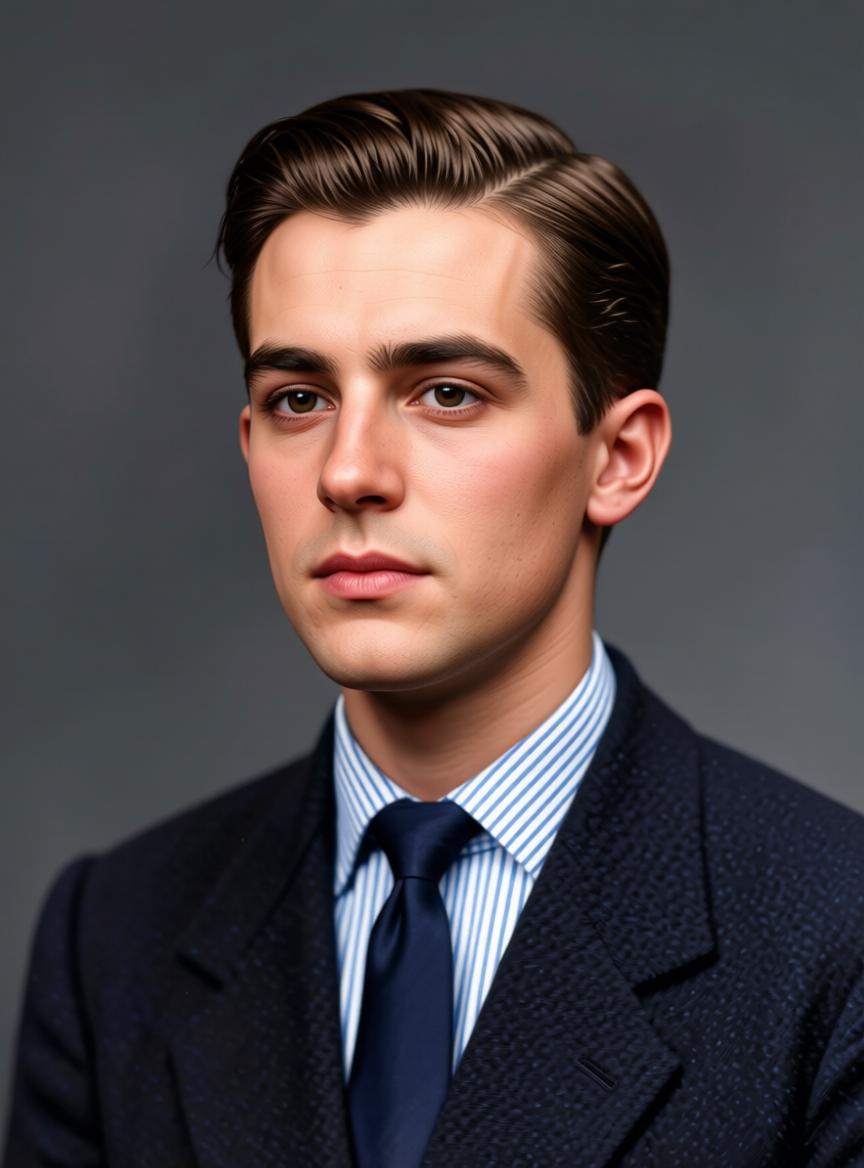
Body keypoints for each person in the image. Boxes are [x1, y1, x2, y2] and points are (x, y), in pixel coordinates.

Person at [4, 87, 864, 1168]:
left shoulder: (834, 935)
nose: (350, 471)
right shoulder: (113, 935)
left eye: (446, 392)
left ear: (620, 455)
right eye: (298, 398)